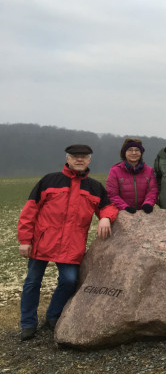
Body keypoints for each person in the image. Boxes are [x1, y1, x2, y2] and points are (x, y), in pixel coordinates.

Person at [16, 145, 118, 341]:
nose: (79, 160)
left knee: (69, 281)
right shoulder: (49, 180)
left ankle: (53, 316)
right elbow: (30, 211)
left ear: (89, 161)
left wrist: (105, 218)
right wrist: (25, 240)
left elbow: (109, 207)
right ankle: (28, 323)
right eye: (75, 156)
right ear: (67, 159)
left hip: (72, 246)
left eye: (84, 157)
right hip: (42, 243)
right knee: (31, 282)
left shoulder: (95, 187)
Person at [106, 138, 158, 213]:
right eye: (130, 150)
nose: (134, 153)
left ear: (141, 153)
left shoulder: (150, 171)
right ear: (124, 153)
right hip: (122, 213)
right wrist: (125, 207)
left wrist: (148, 204)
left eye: (137, 150)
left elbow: (153, 191)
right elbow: (112, 194)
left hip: (144, 213)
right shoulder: (115, 171)